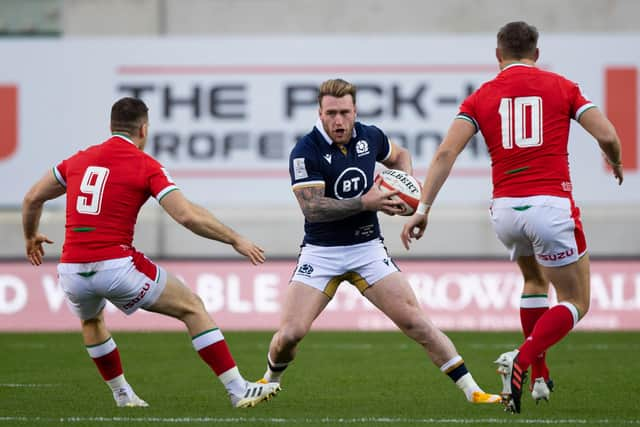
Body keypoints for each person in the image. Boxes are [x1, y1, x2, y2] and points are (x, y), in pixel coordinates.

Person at [401, 21, 624, 414]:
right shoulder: (562, 87)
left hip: (505, 210)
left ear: (498, 55)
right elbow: (606, 135)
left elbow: (444, 154)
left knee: (534, 280)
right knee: (577, 300)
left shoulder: (481, 97)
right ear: (536, 54)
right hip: (550, 205)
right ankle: (523, 357)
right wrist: (616, 159)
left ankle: (540, 376)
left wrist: (423, 209)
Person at [21, 97, 280, 408]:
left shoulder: (77, 160)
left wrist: (30, 236)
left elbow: (32, 198)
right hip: (116, 265)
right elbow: (186, 215)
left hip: (72, 270)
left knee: (91, 322)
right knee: (192, 307)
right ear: (143, 129)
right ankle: (238, 389)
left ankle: (122, 395)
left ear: (110, 127)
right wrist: (235, 239)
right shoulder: (145, 164)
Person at [258, 78, 501, 405]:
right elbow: (313, 209)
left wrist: (406, 190)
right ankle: (269, 379)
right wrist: (366, 203)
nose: (339, 121)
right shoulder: (306, 150)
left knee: (416, 322)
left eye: (345, 112)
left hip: (366, 248)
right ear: (320, 112)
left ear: (355, 111)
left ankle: (474, 391)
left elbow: (401, 156)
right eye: (331, 113)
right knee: (290, 335)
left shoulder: (370, 136)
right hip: (322, 252)